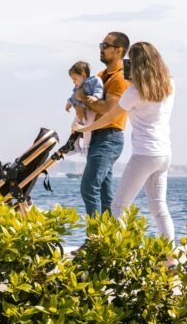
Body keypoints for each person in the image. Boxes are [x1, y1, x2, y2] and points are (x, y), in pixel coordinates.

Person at [74, 41, 175, 258]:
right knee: (160, 209)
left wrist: (84, 128)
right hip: (164, 154)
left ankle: (119, 258)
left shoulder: (134, 92)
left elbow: (110, 117)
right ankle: (169, 260)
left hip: (144, 155)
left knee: (119, 207)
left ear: (137, 65)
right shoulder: (170, 85)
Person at [76, 31, 130, 216]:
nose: (101, 49)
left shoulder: (120, 79)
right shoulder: (101, 75)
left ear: (119, 50)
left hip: (109, 137)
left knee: (89, 187)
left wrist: (83, 97)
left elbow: (108, 109)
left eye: (105, 46)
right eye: (101, 45)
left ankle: (94, 233)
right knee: (105, 194)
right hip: (98, 136)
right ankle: (110, 232)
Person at [65, 61, 104, 154]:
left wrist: (95, 97)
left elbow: (99, 89)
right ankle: (75, 146)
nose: (74, 82)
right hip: (81, 108)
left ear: (83, 75)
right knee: (74, 125)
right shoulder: (78, 86)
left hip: (90, 109)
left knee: (87, 126)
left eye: (75, 79)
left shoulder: (94, 80)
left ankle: (86, 147)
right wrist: (69, 103)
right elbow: (74, 96)